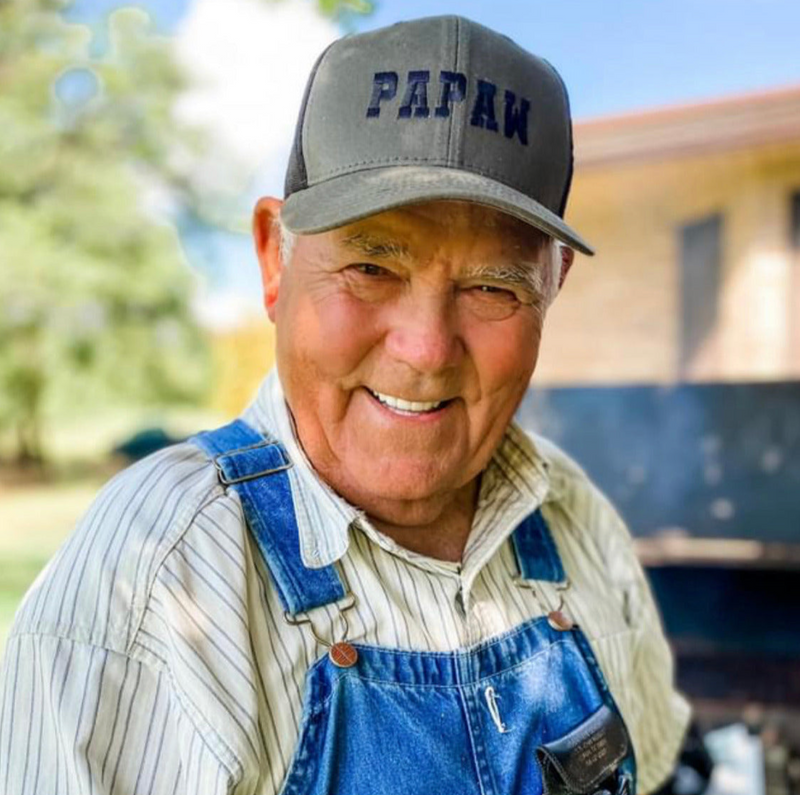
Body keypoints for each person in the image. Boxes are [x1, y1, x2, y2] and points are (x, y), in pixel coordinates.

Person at [0, 15, 691, 795]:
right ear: (273, 257)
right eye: (370, 266)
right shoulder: (156, 577)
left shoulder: (574, 520)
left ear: (554, 285)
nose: (426, 349)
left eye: (494, 286)